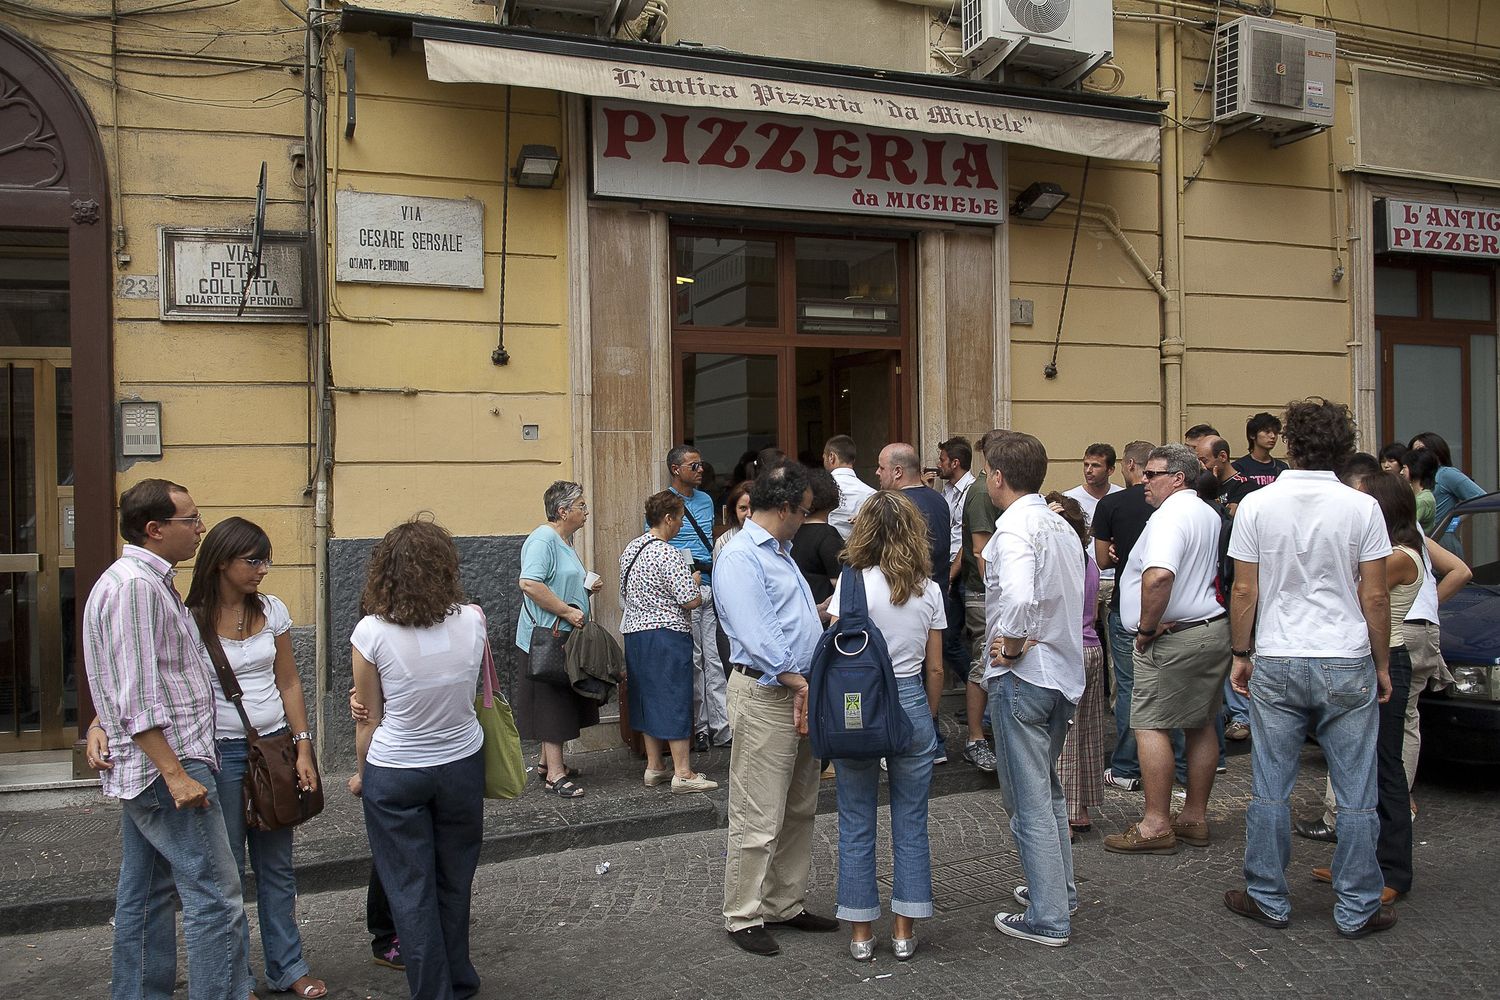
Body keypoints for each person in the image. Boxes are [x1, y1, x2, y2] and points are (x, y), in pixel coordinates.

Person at [86, 517, 328, 998]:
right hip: (214, 754)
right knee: (225, 876)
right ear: (222, 562)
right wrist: (98, 723)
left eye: (267, 559)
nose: (263, 569)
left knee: (276, 867)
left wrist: (303, 745)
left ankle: (287, 966)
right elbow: (135, 672)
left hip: (272, 750)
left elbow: (289, 681)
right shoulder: (184, 613)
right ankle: (236, 978)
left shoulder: (272, 610)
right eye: (253, 560)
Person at [1223, 397, 1397, 940]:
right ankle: (1356, 905)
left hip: (1277, 651)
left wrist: (1240, 652)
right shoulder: (1362, 508)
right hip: (1345, 655)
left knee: (1271, 785)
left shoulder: (1257, 504)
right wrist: (1383, 662)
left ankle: (1268, 895)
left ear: (1291, 443)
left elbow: (1244, 589)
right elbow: (1375, 596)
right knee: (1356, 791)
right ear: (1344, 447)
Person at [82, 479, 251, 1000]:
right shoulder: (135, 586)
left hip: (154, 764)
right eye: (191, 520)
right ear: (155, 529)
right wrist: (176, 775)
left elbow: (123, 676)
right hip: (166, 765)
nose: (201, 529)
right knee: (216, 898)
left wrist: (99, 723)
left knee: (148, 892)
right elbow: (135, 694)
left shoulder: (140, 580)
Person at [349, 516, 487, 999]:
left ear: (384, 571)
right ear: (446, 568)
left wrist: (361, 774)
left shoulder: (371, 632)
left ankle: (433, 992)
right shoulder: (473, 618)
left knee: (410, 891)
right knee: (455, 881)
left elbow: (368, 717)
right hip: (462, 762)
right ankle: (461, 981)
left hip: (397, 767)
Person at [715, 463, 837, 956]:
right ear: (784, 509)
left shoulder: (779, 552)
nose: (807, 521)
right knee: (757, 811)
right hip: (770, 693)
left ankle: (784, 902)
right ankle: (743, 914)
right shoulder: (742, 556)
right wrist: (797, 679)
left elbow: (788, 620)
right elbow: (757, 633)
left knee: (799, 806)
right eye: (804, 512)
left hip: (800, 691)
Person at [828, 491, 946, 962]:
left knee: (856, 819)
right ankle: (902, 931)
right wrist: (929, 718)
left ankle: (860, 935)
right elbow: (936, 670)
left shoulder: (850, 583)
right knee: (911, 822)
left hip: (857, 702)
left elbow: (837, 654)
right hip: (911, 699)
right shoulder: (928, 588)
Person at [980, 432, 1085, 949]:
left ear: (999, 475)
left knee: (1029, 799)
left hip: (1027, 676)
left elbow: (1019, 596)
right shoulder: (1058, 524)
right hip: (1061, 673)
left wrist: (1015, 645)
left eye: (986, 472)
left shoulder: (1017, 527)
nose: (984, 480)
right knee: (1047, 789)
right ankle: (1057, 893)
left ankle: (1048, 916)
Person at [1105, 445, 1231, 856]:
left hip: (1173, 638)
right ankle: (1194, 816)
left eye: (1153, 473)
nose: (1143, 479)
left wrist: (1144, 629)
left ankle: (1156, 823)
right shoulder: (1206, 512)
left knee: (1150, 724)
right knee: (1201, 724)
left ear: (1178, 478)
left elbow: (1158, 577)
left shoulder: (1169, 516)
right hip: (1209, 628)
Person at [620, 491, 719, 794]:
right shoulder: (668, 553)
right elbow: (688, 600)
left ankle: (655, 766)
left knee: (647, 698)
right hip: (666, 635)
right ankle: (684, 772)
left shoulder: (631, 549)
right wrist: (699, 587)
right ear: (667, 519)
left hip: (635, 633)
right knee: (674, 697)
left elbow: (624, 594)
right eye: (679, 518)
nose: (679, 524)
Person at [516, 481, 605, 798]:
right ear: (562, 510)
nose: (586, 511)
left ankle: (546, 764)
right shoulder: (544, 539)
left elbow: (557, 579)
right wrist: (567, 612)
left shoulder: (565, 541)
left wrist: (585, 586)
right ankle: (555, 775)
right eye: (581, 505)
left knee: (561, 700)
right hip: (546, 636)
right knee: (552, 703)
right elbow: (529, 583)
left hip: (563, 637)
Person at [661, 446, 731, 754]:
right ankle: (699, 727)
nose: (701, 469)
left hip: (708, 579)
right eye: (694, 465)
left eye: (700, 463)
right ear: (676, 469)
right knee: (694, 659)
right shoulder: (663, 502)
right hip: (682, 583)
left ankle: (721, 726)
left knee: (713, 657)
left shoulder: (706, 500)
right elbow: (658, 543)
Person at [1047, 493, 1106, 837]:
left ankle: (1066, 814)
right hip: (1093, 648)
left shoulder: (1061, 561)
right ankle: (1081, 807)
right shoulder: (1089, 561)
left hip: (1069, 650)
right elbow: (1094, 613)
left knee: (1064, 734)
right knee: (1089, 732)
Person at [958, 429, 1003, 774]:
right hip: (983, 593)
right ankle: (976, 739)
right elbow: (980, 549)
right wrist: (997, 591)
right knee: (981, 663)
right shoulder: (981, 494)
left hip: (989, 592)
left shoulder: (990, 491)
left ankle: (988, 730)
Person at [936, 437, 976, 686]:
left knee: (957, 638)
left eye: (941, 460)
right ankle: (977, 694)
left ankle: (978, 696)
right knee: (949, 639)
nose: (938, 465)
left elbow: (967, 538)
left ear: (955, 462)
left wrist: (951, 573)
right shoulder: (947, 490)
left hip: (962, 572)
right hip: (949, 570)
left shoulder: (972, 491)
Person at [790, 466, 846, 607]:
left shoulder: (790, 532)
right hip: (824, 612)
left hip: (800, 608)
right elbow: (840, 583)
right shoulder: (828, 535)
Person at [824, 434, 876, 540]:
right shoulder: (873, 495)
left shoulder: (819, 491)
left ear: (831, 457)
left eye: (824, 458)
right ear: (853, 460)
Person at [1195, 436, 1254, 517]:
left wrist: (1211, 491)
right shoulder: (1201, 484)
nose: (1202, 467)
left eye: (1204, 461)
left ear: (1223, 457)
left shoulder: (1244, 485)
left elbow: (1229, 516)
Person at [1233, 412, 1289, 488]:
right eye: (1267, 432)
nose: (1273, 436)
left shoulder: (1282, 468)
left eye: (1275, 433)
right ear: (1252, 435)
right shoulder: (1239, 467)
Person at [1402, 447, 1441, 537]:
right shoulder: (1420, 495)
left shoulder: (1422, 500)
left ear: (1415, 469)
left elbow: (1407, 527)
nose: (1401, 472)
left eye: (1404, 468)